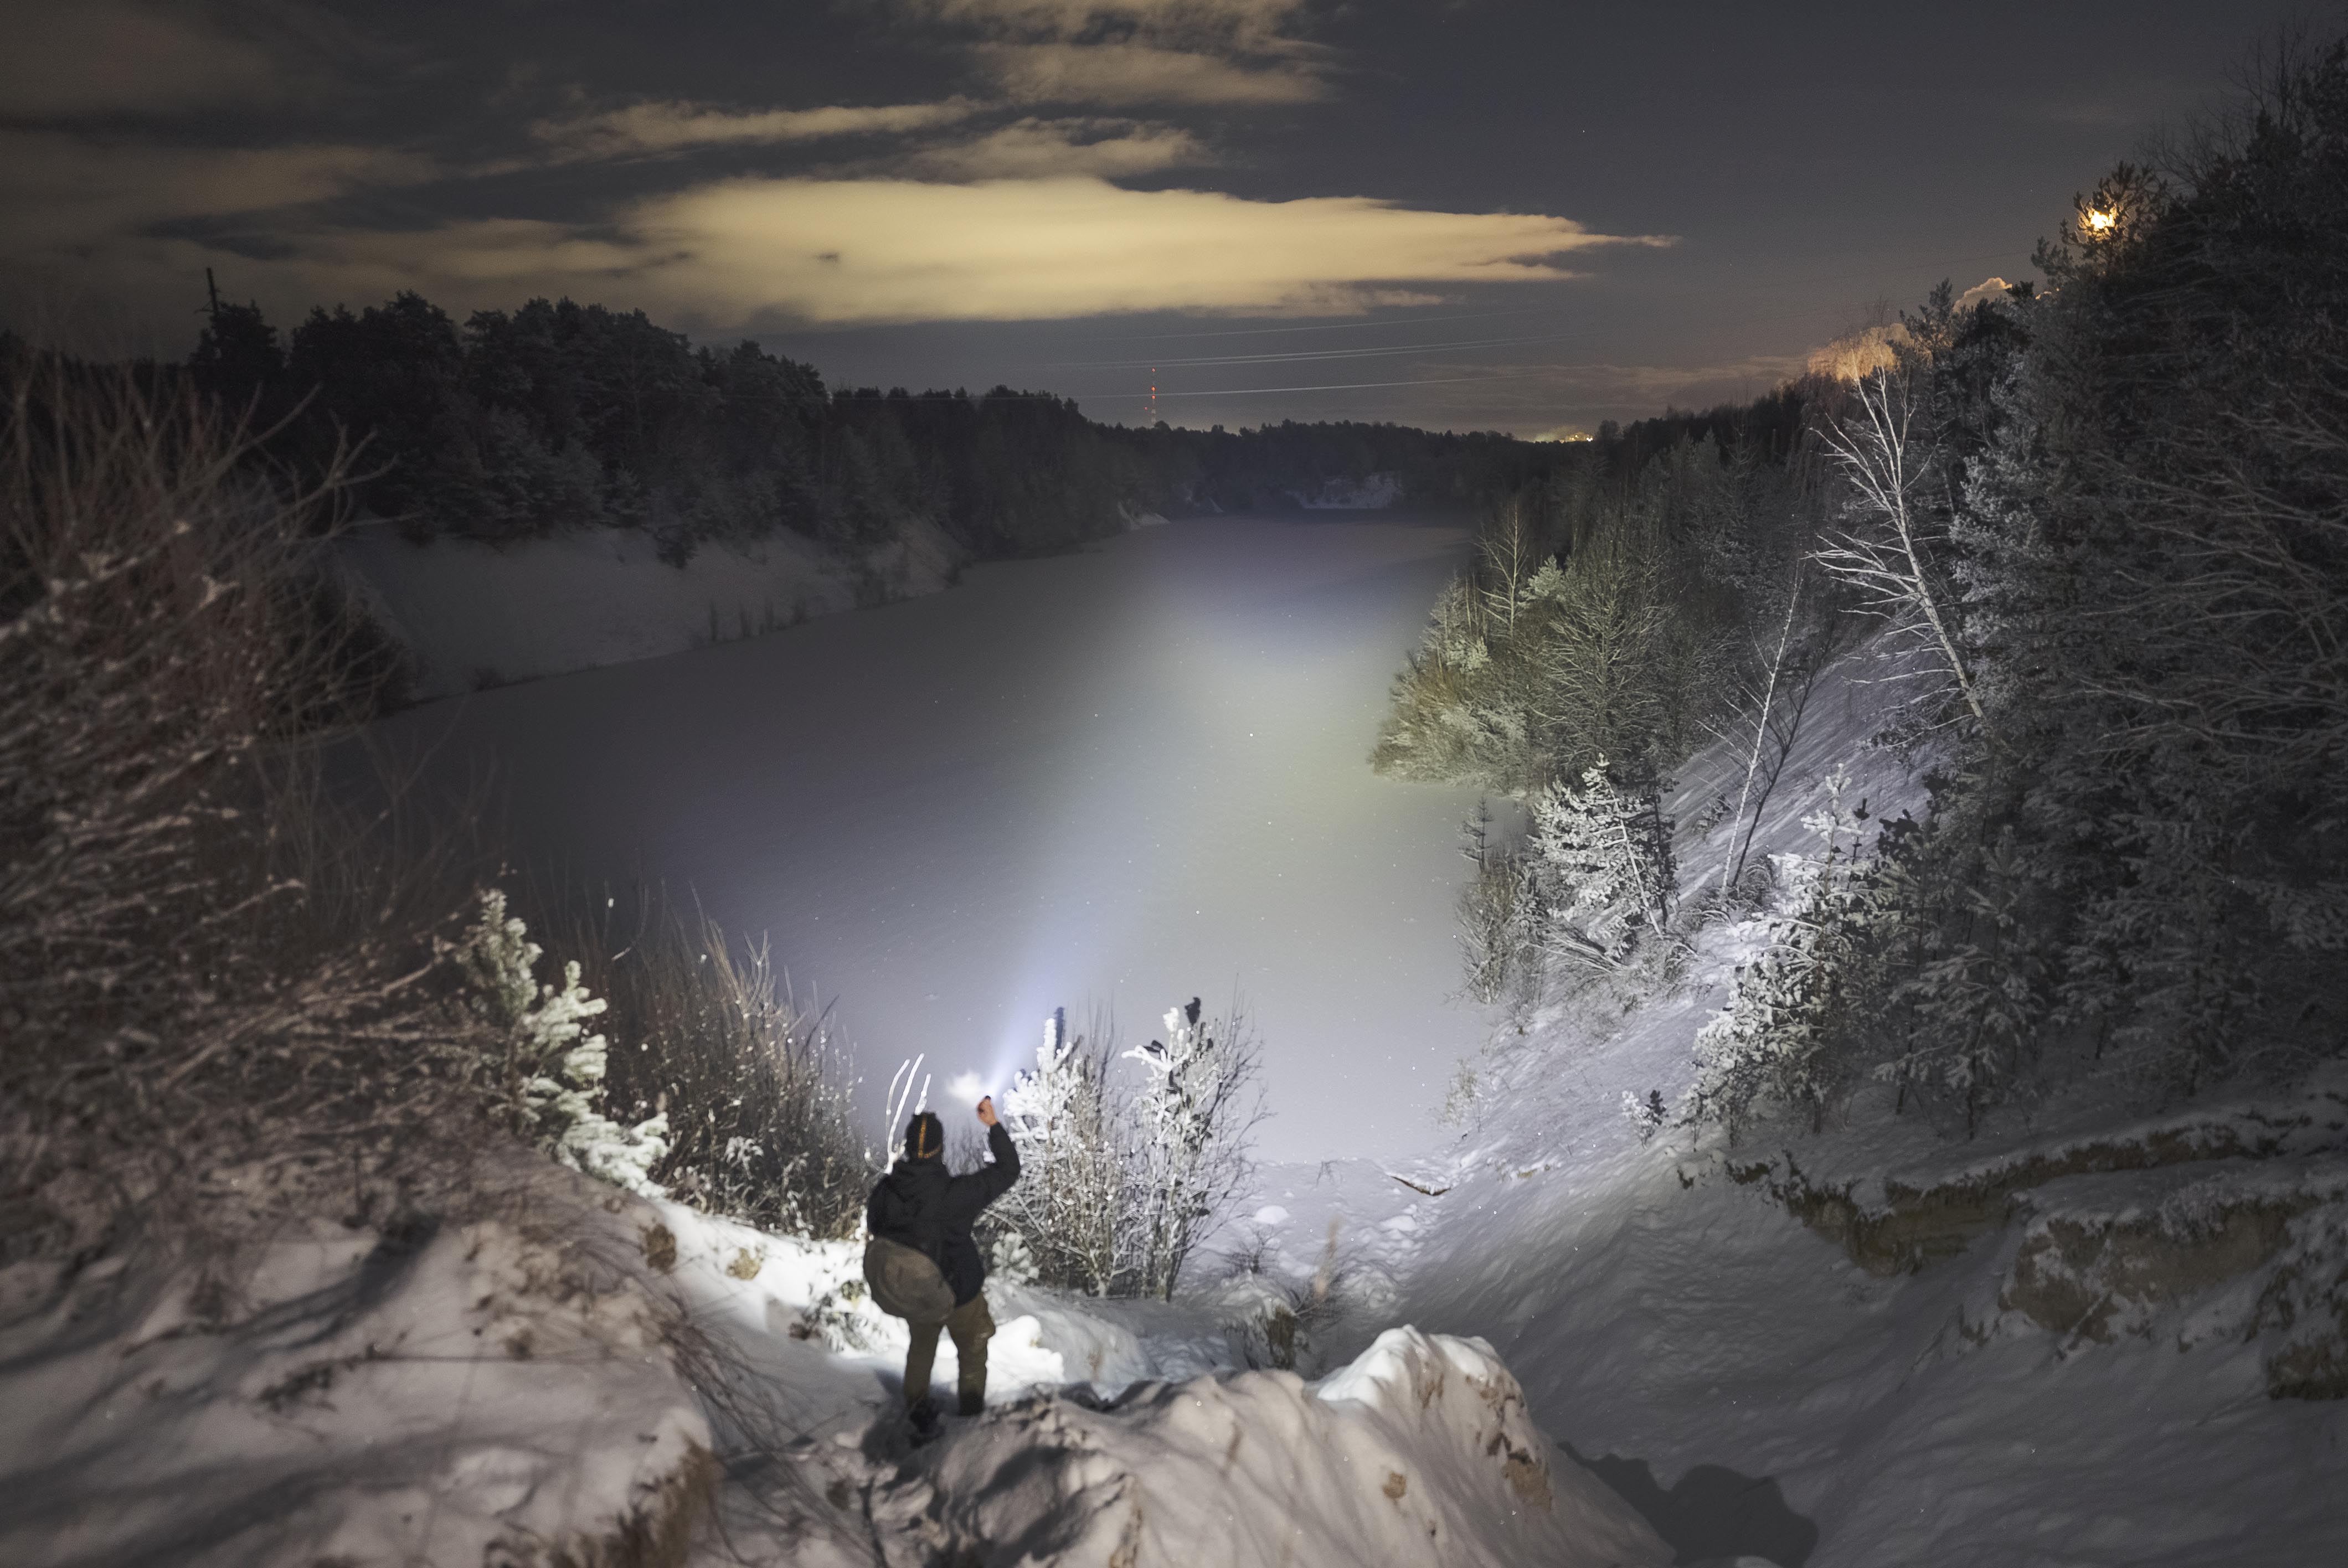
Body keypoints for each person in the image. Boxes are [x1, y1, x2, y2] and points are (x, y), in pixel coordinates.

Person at [864, 1095, 1020, 1432]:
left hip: (918, 1293)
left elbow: (876, 1227)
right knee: (973, 1348)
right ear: (940, 1148)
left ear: (909, 1147)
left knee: (921, 1346)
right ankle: (970, 1418)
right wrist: (993, 1126)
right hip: (960, 1293)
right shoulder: (956, 1193)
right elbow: (1009, 1170)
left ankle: (916, 1412)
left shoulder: (886, 1191)